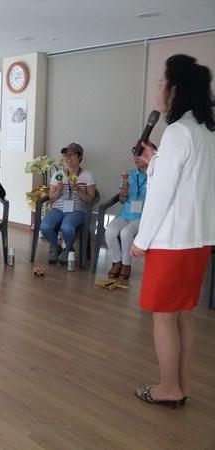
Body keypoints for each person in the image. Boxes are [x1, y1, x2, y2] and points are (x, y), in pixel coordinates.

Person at [130, 54, 215, 407]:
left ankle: (168, 387)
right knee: (184, 315)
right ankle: (181, 384)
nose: (157, 89)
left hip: (171, 241)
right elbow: (186, 181)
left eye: (161, 82)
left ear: (176, 89)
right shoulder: (206, 131)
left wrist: (141, 239)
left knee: (163, 317)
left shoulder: (179, 132)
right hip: (197, 239)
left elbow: (163, 195)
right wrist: (155, 161)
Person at [40, 143, 96, 265]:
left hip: (77, 210)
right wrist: (59, 190)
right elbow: (51, 199)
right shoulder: (57, 175)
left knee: (67, 227)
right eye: (66, 155)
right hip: (58, 208)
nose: (68, 158)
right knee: (45, 226)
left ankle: (68, 249)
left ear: (80, 157)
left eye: (72, 155)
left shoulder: (88, 175)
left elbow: (90, 199)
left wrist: (79, 190)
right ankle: (55, 247)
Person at [104, 155, 148, 280]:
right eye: (135, 156)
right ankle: (116, 261)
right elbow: (122, 201)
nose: (136, 159)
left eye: (140, 156)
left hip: (142, 217)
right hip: (125, 214)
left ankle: (126, 265)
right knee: (110, 231)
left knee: (126, 233)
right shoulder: (128, 175)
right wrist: (123, 193)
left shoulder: (155, 176)